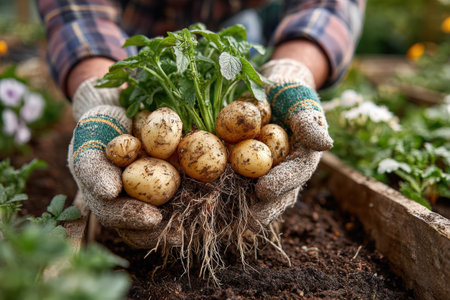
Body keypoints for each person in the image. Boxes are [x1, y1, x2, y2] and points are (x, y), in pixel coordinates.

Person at [37, 0, 366, 248]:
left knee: (245, 33)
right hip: (130, 45)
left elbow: (328, 6)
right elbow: (76, 12)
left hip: (242, 32)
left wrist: (293, 71)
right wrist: (101, 95)